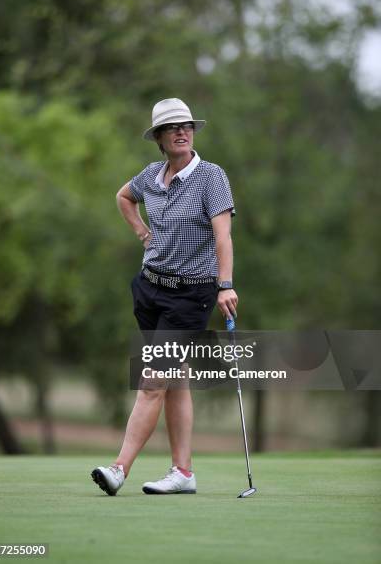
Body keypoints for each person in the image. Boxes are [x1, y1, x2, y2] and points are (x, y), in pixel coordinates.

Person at [91, 98, 237, 495]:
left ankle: (119, 468)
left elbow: (223, 235)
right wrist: (141, 231)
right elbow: (123, 196)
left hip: (191, 294)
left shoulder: (211, 176)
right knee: (175, 380)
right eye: (172, 127)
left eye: (187, 125)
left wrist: (225, 283)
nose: (181, 131)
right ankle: (183, 473)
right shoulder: (152, 176)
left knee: (153, 380)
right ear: (158, 138)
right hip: (149, 289)